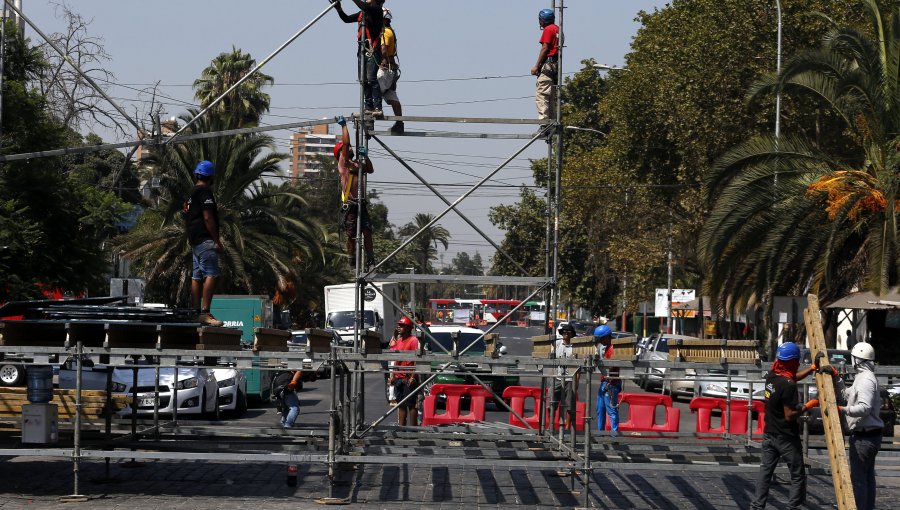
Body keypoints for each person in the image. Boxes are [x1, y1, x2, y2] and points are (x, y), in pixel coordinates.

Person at [751, 342, 819, 510]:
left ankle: (757, 506)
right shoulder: (788, 385)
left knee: (765, 472)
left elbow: (792, 376)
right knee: (797, 474)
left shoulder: (773, 375)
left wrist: (811, 369)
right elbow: (789, 415)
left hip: (769, 434)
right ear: (792, 361)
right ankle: (793, 506)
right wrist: (807, 406)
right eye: (796, 361)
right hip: (786, 436)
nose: (797, 364)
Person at [824, 342, 884, 510]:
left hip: (865, 437)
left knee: (858, 480)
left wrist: (841, 410)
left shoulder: (866, 380)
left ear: (857, 360)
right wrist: (836, 377)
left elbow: (864, 408)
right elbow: (846, 395)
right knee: (867, 477)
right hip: (869, 435)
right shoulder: (863, 378)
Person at [183, 160, 224, 327]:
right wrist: (216, 240)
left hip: (194, 242)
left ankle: (195, 312)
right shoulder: (205, 193)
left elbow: (187, 211)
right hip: (205, 240)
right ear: (211, 176)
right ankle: (205, 312)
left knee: (197, 276)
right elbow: (208, 217)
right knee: (211, 274)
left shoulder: (192, 193)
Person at [333, 115, 375, 269]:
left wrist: (366, 157)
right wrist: (344, 126)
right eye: (346, 148)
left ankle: (370, 258)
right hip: (350, 204)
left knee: (367, 231)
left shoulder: (357, 163)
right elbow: (346, 142)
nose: (350, 148)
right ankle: (351, 259)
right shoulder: (343, 164)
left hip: (361, 203)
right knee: (351, 234)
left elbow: (370, 169)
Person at [333, 0, 385, 117]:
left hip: (372, 50)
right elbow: (346, 19)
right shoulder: (363, 13)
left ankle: (377, 107)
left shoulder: (376, 10)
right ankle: (368, 106)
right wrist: (339, 9)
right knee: (363, 79)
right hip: (362, 51)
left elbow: (365, 7)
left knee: (371, 77)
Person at [390, 315, 420, 426]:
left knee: (411, 405)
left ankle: (413, 430)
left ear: (408, 328)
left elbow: (416, 360)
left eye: (402, 326)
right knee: (400, 405)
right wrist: (393, 375)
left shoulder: (413, 341)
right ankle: (402, 429)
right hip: (399, 378)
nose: (399, 327)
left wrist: (413, 377)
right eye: (399, 325)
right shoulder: (399, 341)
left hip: (408, 378)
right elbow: (396, 360)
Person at [531, 8, 559, 121]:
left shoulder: (548, 29)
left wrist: (536, 66)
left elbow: (545, 48)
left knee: (542, 95)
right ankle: (551, 121)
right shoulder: (558, 29)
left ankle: (544, 122)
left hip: (548, 65)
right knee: (550, 97)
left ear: (543, 20)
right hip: (555, 67)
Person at [378, 8, 404, 134]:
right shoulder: (390, 31)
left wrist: (382, 61)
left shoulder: (385, 33)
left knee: (373, 86)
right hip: (391, 69)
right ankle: (399, 123)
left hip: (386, 68)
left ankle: (375, 111)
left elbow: (383, 50)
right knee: (391, 95)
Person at [593, 325, 620, 436]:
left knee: (611, 410)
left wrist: (599, 362)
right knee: (600, 409)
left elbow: (611, 367)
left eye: (602, 339)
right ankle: (601, 434)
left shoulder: (613, 348)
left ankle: (614, 436)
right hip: (605, 382)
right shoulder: (607, 348)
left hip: (612, 383)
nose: (601, 341)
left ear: (608, 337)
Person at [551, 322, 579, 430]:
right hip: (558, 377)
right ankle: (552, 425)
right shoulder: (557, 345)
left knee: (569, 405)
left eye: (568, 332)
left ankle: (567, 427)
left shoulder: (575, 347)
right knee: (551, 401)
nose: (566, 333)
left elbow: (578, 367)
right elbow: (551, 361)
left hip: (570, 379)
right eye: (564, 332)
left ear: (572, 334)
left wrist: (576, 382)